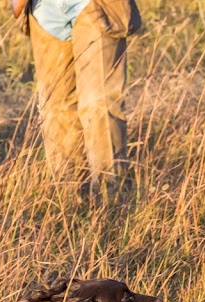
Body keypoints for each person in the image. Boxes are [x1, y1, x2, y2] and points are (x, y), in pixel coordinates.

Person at [12, 0, 143, 201]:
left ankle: (110, 201)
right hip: (44, 11)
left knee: (98, 103)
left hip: (97, 6)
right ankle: (67, 205)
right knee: (55, 108)